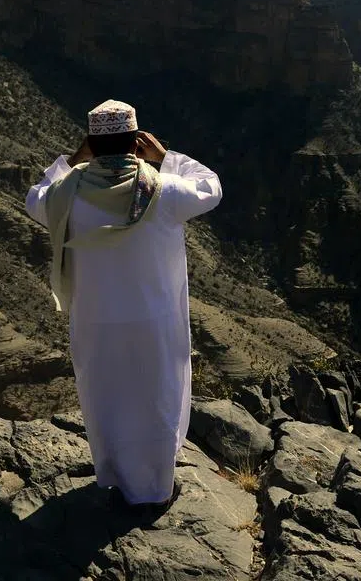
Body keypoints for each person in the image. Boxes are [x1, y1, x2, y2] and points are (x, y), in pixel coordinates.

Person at [25, 99, 222, 511]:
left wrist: (73, 159)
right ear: (136, 142)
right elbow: (211, 187)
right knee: (154, 398)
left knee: (106, 396)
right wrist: (166, 157)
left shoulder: (65, 196)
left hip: (97, 321)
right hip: (153, 321)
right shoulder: (163, 191)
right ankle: (154, 489)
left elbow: (35, 195)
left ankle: (112, 476)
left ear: (92, 146)